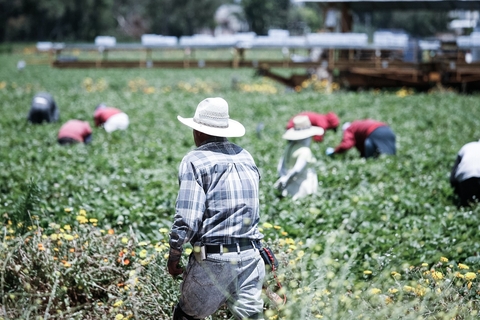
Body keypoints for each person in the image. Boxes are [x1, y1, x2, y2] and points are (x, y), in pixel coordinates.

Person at [168, 97, 265, 320]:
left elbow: (187, 219)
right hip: (250, 255)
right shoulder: (245, 156)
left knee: (186, 317)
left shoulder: (195, 160)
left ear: (199, 132)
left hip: (214, 259)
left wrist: (175, 254)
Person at [275, 115, 324, 200]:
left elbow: (282, 162)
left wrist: (283, 176)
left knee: (290, 198)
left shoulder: (290, 146)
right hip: (303, 181)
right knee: (304, 199)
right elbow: (298, 169)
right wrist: (287, 179)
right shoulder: (305, 151)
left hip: (289, 178)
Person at [326, 119, 396, 158]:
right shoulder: (358, 124)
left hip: (375, 132)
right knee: (390, 157)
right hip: (388, 130)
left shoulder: (349, 129)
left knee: (370, 157)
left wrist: (335, 151)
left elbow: (347, 144)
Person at [450, 139, 480, 206]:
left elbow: (453, 178)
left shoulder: (467, 146)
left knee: (468, 205)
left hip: (466, 179)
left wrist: (458, 191)